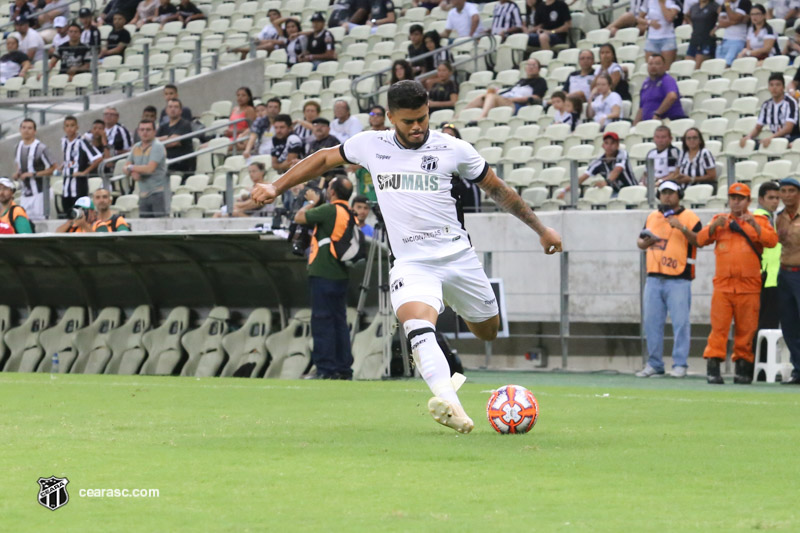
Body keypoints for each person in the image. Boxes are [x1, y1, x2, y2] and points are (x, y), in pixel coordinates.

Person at [251, 80, 563, 433]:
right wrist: (275, 187)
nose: (417, 127)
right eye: (408, 121)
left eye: (423, 118)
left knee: (488, 331)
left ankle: (453, 306)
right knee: (417, 324)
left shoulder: (453, 148)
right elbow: (324, 158)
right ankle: (451, 403)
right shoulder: (372, 145)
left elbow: (498, 190)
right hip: (413, 263)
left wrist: (542, 229)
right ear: (390, 118)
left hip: (458, 258)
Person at [697, 182, 778, 384]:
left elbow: (772, 240)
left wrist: (755, 225)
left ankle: (743, 368)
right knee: (719, 329)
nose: (736, 201)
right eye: (733, 197)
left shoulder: (758, 219)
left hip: (749, 287)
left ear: (748, 201)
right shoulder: (719, 220)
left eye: (740, 198)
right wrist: (713, 227)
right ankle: (713, 367)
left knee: (747, 330)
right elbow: (700, 240)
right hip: (723, 286)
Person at [636, 181, 702, 378]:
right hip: (654, 277)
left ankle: (680, 363)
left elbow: (699, 240)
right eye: (664, 193)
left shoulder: (689, 216)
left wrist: (681, 227)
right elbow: (640, 242)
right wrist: (645, 242)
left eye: (671, 193)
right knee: (651, 323)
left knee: (681, 323)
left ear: (679, 195)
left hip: (679, 278)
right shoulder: (652, 216)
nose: (667, 196)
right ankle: (654, 363)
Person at [292, 177, 356, 380]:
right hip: (340, 274)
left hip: (323, 271)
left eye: (329, 187)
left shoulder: (330, 210)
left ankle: (325, 368)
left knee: (322, 321)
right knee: (339, 321)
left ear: (334, 193)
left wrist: (312, 201)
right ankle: (343, 367)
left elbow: (299, 218)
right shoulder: (348, 212)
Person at [558, 132, 637, 198]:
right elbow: (583, 177)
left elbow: (618, 170)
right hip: (616, 193)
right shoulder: (599, 162)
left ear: (617, 145)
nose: (609, 146)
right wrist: (564, 191)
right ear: (603, 145)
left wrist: (606, 182)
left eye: (612, 143)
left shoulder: (622, 154)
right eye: (606, 143)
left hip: (632, 190)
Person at [460, 58, 547, 118]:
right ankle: (458, 117)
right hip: (507, 100)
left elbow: (536, 98)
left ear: (539, 69)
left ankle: (482, 117)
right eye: (529, 65)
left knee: (491, 96)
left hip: (517, 105)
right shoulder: (521, 81)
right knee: (482, 97)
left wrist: (514, 100)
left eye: (534, 65)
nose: (531, 67)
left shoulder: (540, 81)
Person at [752, 181, 780, 362]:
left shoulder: (771, 219)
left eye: (777, 198)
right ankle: (762, 365)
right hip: (767, 279)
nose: (775, 202)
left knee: (765, 326)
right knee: (766, 325)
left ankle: (762, 365)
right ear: (761, 199)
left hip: (771, 278)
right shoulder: (761, 219)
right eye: (771, 198)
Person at [777, 177, 800, 384]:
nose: (786, 195)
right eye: (783, 191)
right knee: (789, 325)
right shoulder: (780, 217)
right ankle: (798, 369)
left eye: (791, 190)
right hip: (784, 272)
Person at [12, 118, 56, 221]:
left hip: (40, 193)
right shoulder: (18, 146)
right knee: (24, 221)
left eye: (29, 128)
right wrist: (18, 173)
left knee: (41, 223)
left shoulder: (41, 148)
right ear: (20, 130)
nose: (26, 130)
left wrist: (34, 174)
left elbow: (53, 168)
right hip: (25, 193)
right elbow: (19, 164)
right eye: (23, 128)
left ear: (34, 131)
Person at [740, 73, 799, 149]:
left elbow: (788, 128)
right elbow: (758, 127)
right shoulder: (766, 105)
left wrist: (771, 137)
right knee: (751, 144)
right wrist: (748, 136)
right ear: (768, 87)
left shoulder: (790, 103)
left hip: (792, 138)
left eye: (778, 85)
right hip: (775, 139)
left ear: (783, 87)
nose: (774, 88)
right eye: (771, 85)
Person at [124, 120, 170, 218]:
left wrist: (131, 168)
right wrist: (132, 172)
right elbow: (125, 167)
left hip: (158, 193)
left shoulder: (157, 146)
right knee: (144, 227)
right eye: (142, 129)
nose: (145, 132)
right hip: (143, 193)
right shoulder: (136, 147)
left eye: (148, 130)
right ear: (138, 131)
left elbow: (150, 168)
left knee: (159, 226)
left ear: (154, 131)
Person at [60, 115, 102, 213]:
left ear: (77, 127)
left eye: (72, 125)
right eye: (67, 126)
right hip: (66, 186)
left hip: (79, 186)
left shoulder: (82, 141)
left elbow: (98, 158)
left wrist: (84, 172)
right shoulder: (64, 141)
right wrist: (61, 167)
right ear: (64, 128)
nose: (70, 128)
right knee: (68, 215)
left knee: (80, 215)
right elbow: (68, 159)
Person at [634, 54, 685, 124]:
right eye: (650, 64)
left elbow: (672, 96)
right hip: (647, 124)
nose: (653, 66)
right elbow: (641, 108)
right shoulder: (646, 84)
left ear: (664, 66)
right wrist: (634, 125)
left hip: (667, 121)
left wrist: (657, 113)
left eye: (657, 64)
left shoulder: (667, 80)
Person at [157, 98, 195, 175]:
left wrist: (161, 141)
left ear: (181, 111)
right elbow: (152, 141)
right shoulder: (163, 126)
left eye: (176, 107)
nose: (173, 109)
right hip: (165, 163)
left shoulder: (185, 124)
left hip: (181, 164)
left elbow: (173, 142)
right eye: (170, 107)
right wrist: (168, 138)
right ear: (166, 110)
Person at [638, 0, 680, 68]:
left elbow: (669, 18)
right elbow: (639, 18)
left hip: (668, 38)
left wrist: (662, 3)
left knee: (666, 69)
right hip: (652, 38)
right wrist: (649, 22)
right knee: (651, 67)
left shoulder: (672, 1)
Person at [715, 0, 751, 66]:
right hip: (725, 39)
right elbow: (721, 22)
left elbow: (734, 18)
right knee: (719, 66)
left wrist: (728, 7)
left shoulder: (744, 2)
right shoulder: (725, 4)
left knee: (727, 65)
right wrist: (736, 20)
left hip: (738, 40)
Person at [685, 0, 719, 68]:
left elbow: (723, 17)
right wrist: (692, 24)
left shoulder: (714, 6)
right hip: (694, 39)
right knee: (688, 66)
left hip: (706, 40)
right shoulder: (694, 6)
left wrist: (715, 28)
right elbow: (686, 15)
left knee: (698, 67)